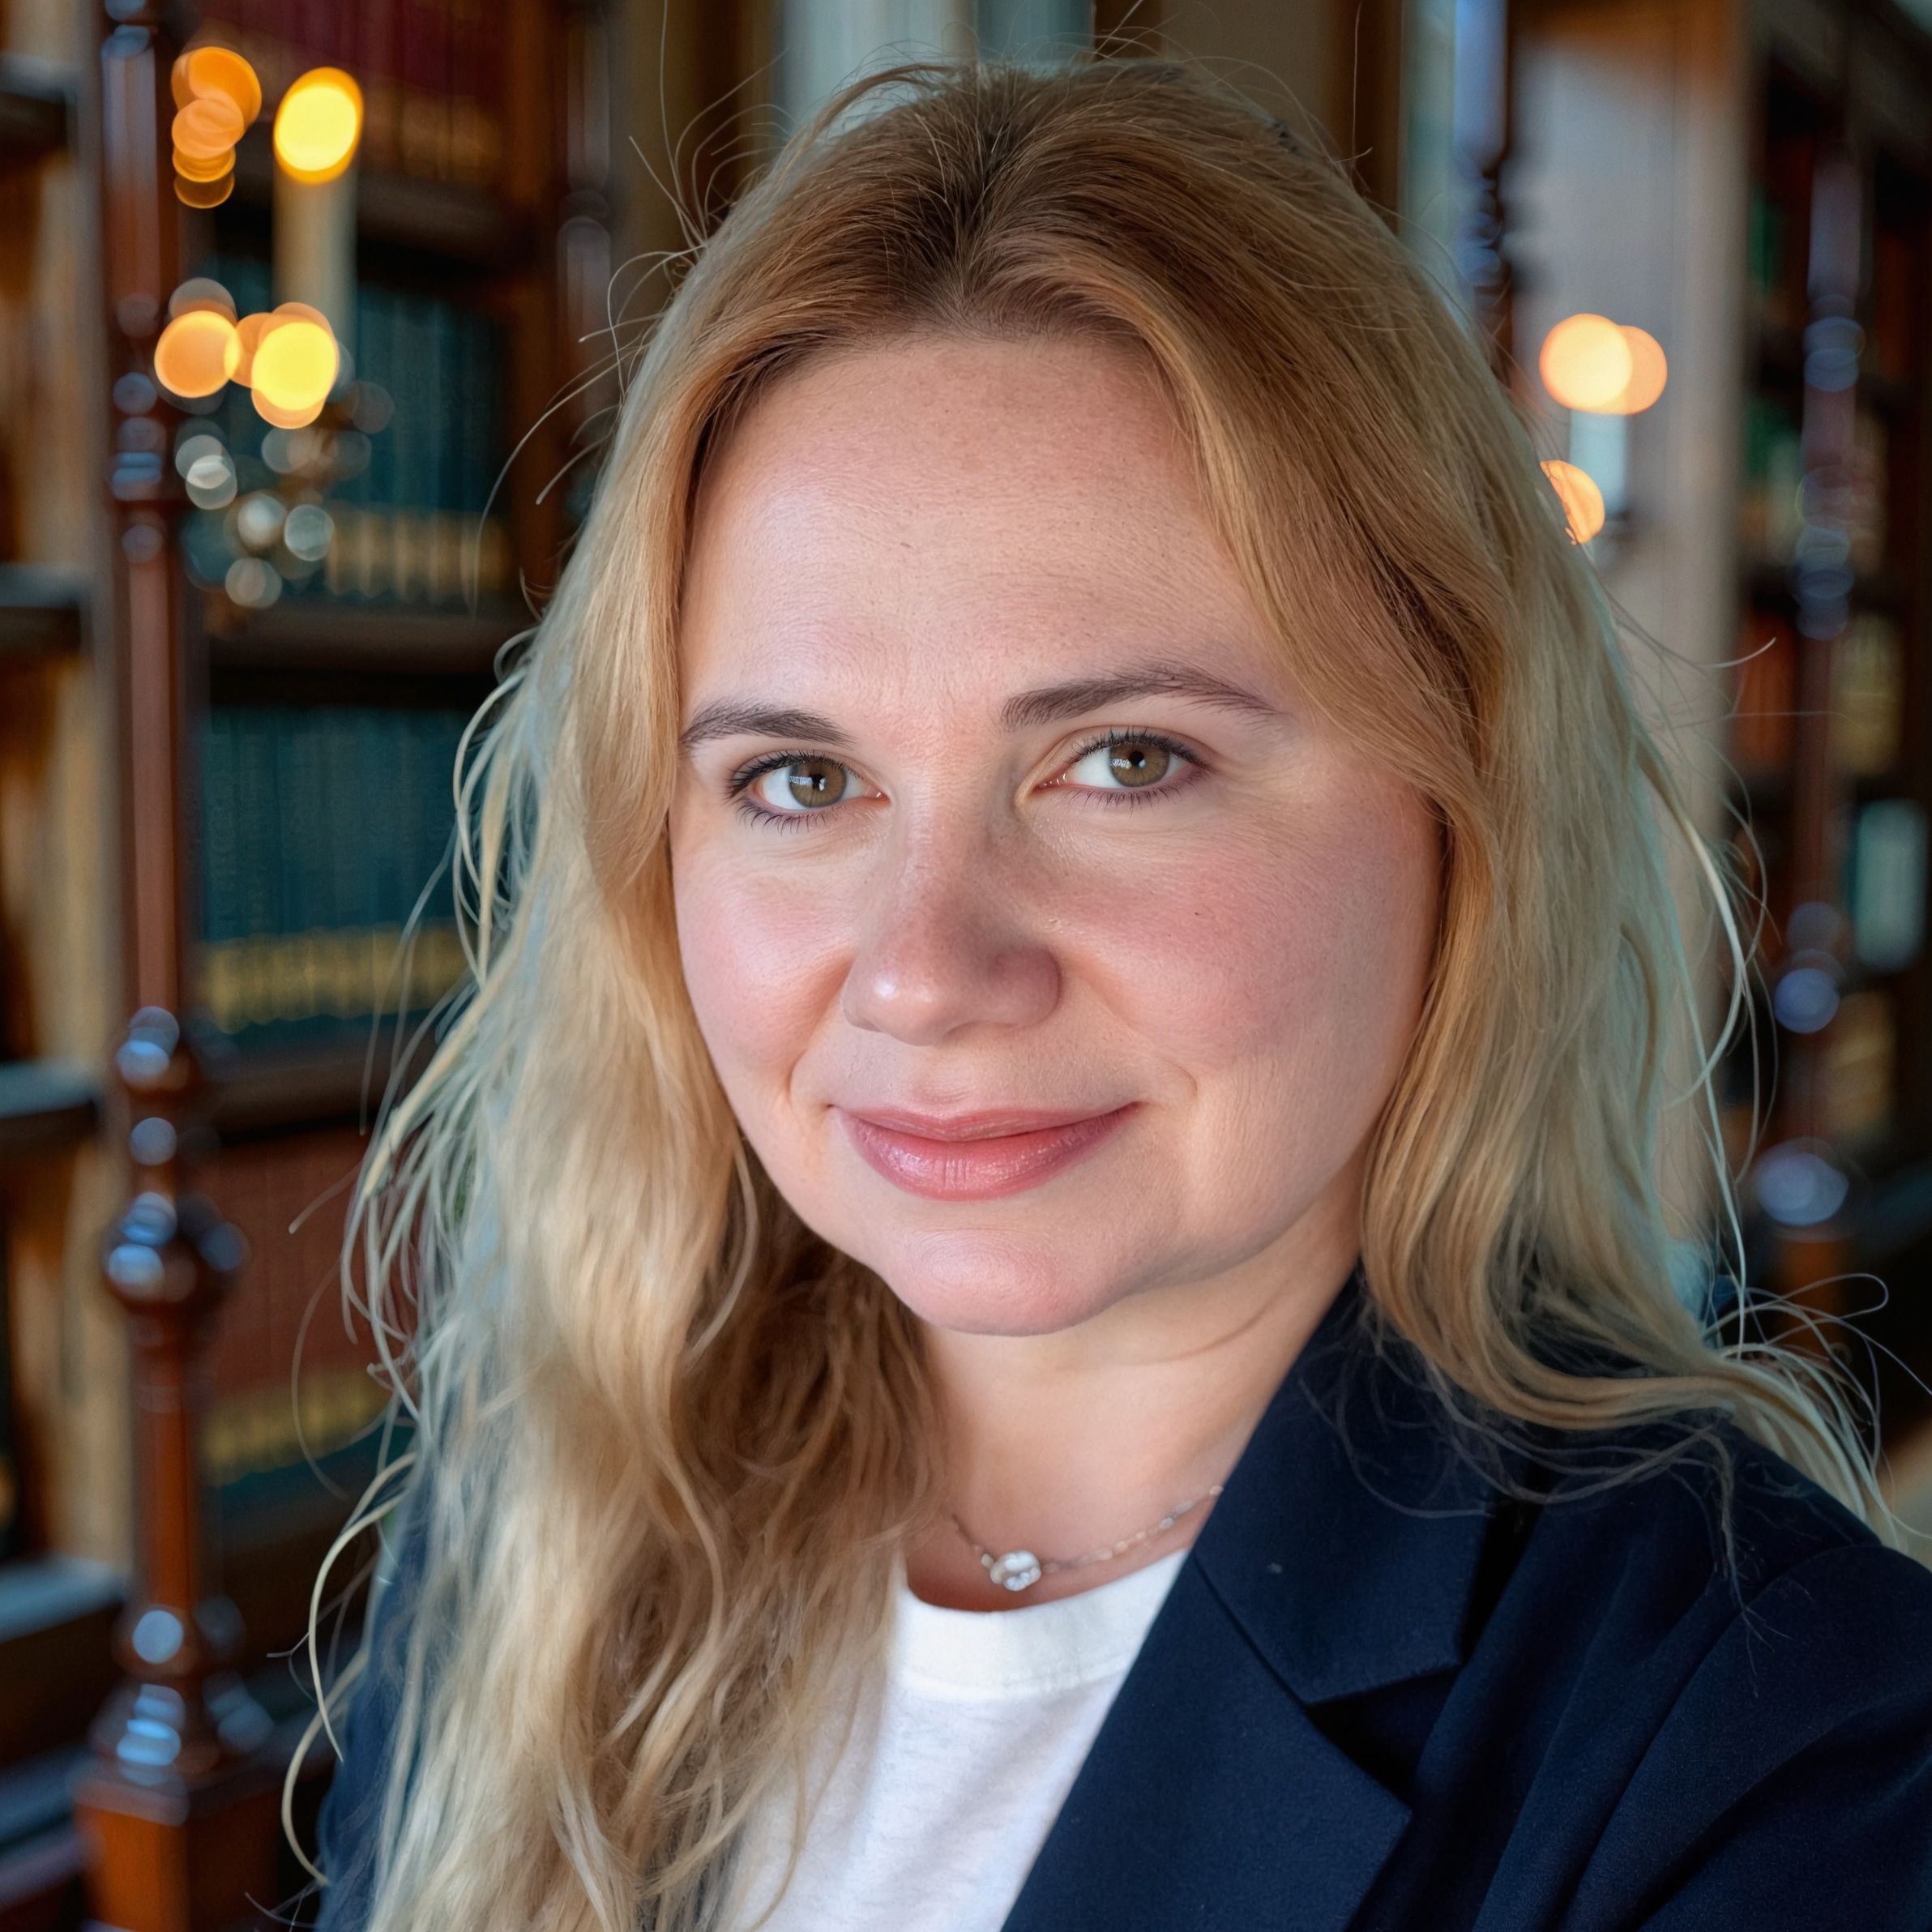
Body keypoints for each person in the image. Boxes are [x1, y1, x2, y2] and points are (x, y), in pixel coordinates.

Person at [293, 52, 1932, 1932]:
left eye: (1125, 759)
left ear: (1462, 800)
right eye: (800, 780)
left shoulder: (1785, 1746)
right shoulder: (540, 1534)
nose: (924, 970)